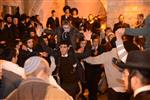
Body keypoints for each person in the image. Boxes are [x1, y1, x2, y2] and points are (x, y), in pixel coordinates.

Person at [6, 56, 72, 100]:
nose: (49, 75)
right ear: (42, 72)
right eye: (48, 72)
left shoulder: (14, 94)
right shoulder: (57, 95)